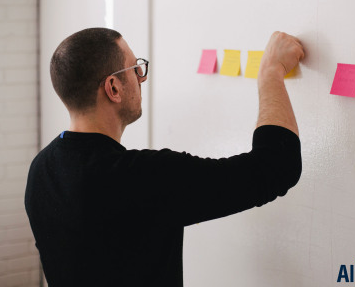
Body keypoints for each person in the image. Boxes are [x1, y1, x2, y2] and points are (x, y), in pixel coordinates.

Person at [25, 28, 304, 286]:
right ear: (113, 88)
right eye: (136, 70)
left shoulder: (41, 170)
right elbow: (276, 166)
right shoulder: (142, 178)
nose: (141, 78)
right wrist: (270, 71)